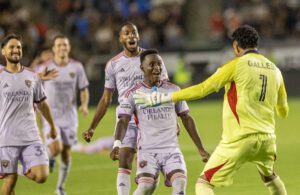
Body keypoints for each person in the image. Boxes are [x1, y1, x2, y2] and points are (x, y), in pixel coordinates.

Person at [133, 25, 289, 195]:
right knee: (270, 177)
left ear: (236, 46)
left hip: (240, 139)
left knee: (203, 184)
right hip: (267, 140)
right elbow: (283, 111)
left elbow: (202, 89)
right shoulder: (275, 70)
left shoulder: (235, 65)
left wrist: (161, 98)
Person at [82, 22, 169, 195]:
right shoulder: (113, 64)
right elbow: (106, 98)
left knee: (150, 180)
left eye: (134, 32)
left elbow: (165, 88)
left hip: (151, 119)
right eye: (127, 33)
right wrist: (92, 127)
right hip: (126, 118)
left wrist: (172, 120)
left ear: (138, 36)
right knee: (124, 158)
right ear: (121, 38)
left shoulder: (152, 59)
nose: (131, 35)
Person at [110, 49, 210, 195]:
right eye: (151, 64)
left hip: (171, 149)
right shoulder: (133, 94)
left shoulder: (173, 90)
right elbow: (123, 121)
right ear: (142, 68)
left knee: (180, 184)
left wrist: (201, 149)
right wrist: (117, 143)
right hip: (148, 151)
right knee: (146, 188)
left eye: (159, 64)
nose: (157, 67)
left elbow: (186, 118)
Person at [0, 34, 57, 195]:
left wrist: (52, 126)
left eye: (18, 47)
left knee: (42, 176)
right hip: (6, 138)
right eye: (11, 47)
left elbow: (42, 103)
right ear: (3, 51)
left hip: (31, 137)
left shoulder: (32, 75)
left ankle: (19, 169)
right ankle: (11, 171)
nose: (15, 50)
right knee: (10, 182)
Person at [36, 35, 89, 195]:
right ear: (53, 49)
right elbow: (35, 88)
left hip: (70, 116)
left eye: (65, 45)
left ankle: (60, 188)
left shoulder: (77, 67)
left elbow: (83, 88)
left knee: (66, 152)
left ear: (69, 47)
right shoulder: (44, 67)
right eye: (59, 45)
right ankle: (49, 155)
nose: (62, 48)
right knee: (56, 147)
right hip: (49, 116)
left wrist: (84, 105)